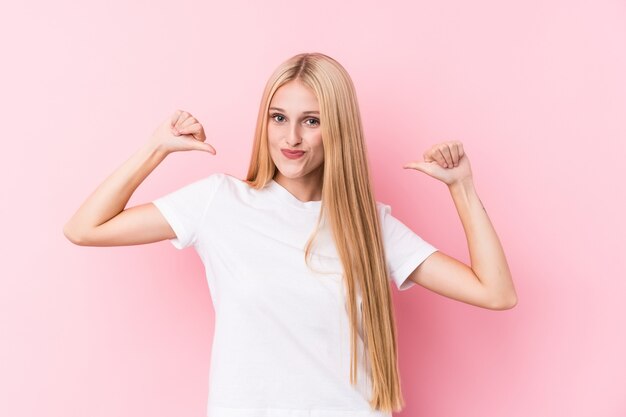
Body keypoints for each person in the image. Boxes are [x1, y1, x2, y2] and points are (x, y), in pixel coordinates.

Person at [63, 52, 517, 417]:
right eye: (279, 118)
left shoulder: (368, 225)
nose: (292, 137)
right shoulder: (219, 203)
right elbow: (85, 229)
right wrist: (155, 148)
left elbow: (495, 292)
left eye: (312, 121)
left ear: (336, 128)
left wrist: (461, 188)